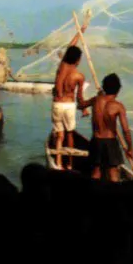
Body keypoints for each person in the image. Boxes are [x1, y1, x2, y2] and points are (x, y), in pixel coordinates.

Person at [81, 72, 133, 183]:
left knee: (96, 171)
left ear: (104, 87)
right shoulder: (118, 106)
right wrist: (130, 148)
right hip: (110, 142)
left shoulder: (96, 100)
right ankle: (113, 196)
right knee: (113, 172)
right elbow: (126, 131)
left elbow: (80, 104)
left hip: (96, 140)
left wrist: (84, 94)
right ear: (118, 90)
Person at [50, 25, 89, 170]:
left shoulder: (62, 66)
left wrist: (80, 32)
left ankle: (58, 163)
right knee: (70, 134)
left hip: (57, 104)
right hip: (69, 105)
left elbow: (70, 46)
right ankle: (70, 164)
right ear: (77, 60)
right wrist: (84, 109)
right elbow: (80, 97)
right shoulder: (79, 76)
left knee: (59, 136)